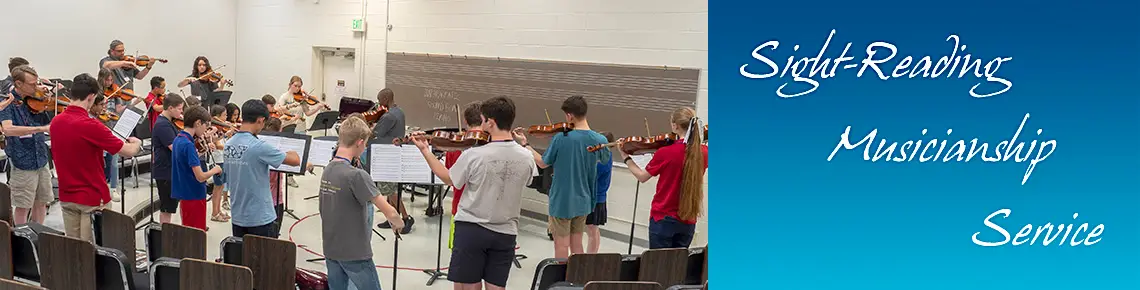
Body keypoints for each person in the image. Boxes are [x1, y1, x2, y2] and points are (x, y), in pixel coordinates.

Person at [411, 96, 536, 290]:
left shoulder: (474, 154)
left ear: (491, 122)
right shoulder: (527, 156)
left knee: (470, 286)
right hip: (507, 231)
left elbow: (448, 178)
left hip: (472, 229)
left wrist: (425, 151)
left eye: (484, 120)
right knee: (497, 287)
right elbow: (527, 181)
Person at [513, 95, 608, 259]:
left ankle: (561, 280)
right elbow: (605, 159)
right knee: (577, 243)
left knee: (561, 244)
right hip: (585, 198)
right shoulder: (600, 140)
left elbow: (543, 163)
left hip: (562, 200)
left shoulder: (560, 138)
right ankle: (577, 277)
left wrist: (525, 144)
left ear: (569, 115)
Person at [51, 73, 142, 242]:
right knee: (92, 251)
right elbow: (127, 151)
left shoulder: (56, 122)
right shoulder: (91, 125)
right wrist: (136, 143)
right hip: (91, 197)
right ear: (91, 97)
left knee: (73, 248)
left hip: (66, 194)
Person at [320, 116, 405, 290]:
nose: (365, 147)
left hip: (330, 248)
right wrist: (398, 223)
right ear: (359, 142)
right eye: (365, 143)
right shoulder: (356, 175)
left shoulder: (328, 169)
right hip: (355, 253)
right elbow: (391, 213)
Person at [617, 107, 707, 249]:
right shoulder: (704, 152)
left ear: (675, 126)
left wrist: (626, 157)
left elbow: (642, 177)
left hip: (663, 218)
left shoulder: (665, 152)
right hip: (689, 220)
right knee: (679, 265)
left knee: (660, 267)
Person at [224, 99, 301, 238]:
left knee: (242, 256)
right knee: (264, 258)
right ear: (260, 120)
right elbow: (295, 161)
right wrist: (291, 151)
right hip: (260, 217)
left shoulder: (228, 144)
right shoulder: (259, 146)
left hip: (238, 215)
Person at [1, 65, 53, 225]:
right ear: (18, 84)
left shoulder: (35, 99)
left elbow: (46, 121)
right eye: (32, 84)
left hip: (41, 158)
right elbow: (8, 129)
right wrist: (40, 129)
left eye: (37, 83)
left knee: (42, 201)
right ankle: (23, 240)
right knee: (23, 206)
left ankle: (38, 235)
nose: (36, 87)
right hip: (23, 160)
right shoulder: (7, 102)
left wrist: (47, 104)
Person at [171, 106, 223, 231]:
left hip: (184, 193)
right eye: (205, 126)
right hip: (194, 193)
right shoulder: (189, 145)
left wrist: (200, 153)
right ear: (198, 123)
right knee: (197, 233)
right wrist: (215, 170)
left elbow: (186, 160)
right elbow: (200, 177)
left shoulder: (178, 139)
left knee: (188, 230)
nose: (205, 130)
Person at [372, 88, 413, 234]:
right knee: (391, 188)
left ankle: (406, 217)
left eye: (380, 100)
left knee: (390, 190)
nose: (379, 103)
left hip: (386, 154)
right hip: (395, 152)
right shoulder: (400, 112)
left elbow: (375, 134)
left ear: (385, 99)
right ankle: (391, 217)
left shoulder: (388, 116)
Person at [447, 101, 482, 250]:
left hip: (461, 210)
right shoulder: (494, 145)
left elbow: (450, 177)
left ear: (465, 121)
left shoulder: (455, 148)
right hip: (487, 213)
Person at [151, 93, 187, 224]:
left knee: (170, 206)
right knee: (167, 207)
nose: (181, 111)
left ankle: (166, 232)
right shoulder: (163, 125)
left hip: (170, 169)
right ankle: (164, 233)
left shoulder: (168, 123)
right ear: (170, 108)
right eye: (179, 108)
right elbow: (174, 147)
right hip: (165, 171)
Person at [586, 131, 615, 253]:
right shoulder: (606, 156)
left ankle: (590, 257)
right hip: (598, 197)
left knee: (592, 230)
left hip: (595, 199)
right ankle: (591, 255)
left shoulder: (603, 160)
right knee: (593, 230)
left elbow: (591, 177)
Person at [263, 117, 286, 237]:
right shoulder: (276, 150)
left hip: (260, 199)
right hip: (274, 200)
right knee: (272, 236)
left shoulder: (260, 145)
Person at [208, 105, 232, 222]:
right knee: (217, 187)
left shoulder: (221, 128)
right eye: (224, 115)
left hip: (223, 159)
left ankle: (218, 211)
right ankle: (214, 213)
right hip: (217, 160)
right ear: (217, 117)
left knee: (221, 186)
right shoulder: (213, 129)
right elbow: (217, 145)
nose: (226, 117)